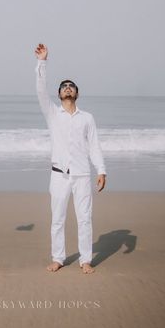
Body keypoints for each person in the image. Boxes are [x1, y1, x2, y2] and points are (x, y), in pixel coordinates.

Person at [34, 44, 106, 274]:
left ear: (76, 93)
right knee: (58, 219)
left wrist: (101, 170)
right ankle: (58, 258)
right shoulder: (53, 114)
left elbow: (94, 145)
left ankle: (85, 260)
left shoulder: (87, 118)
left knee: (85, 219)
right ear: (59, 94)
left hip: (83, 174)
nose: (67, 88)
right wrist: (42, 62)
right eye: (64, 87)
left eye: (71, 86)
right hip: (59, 175)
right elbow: (40, 90)